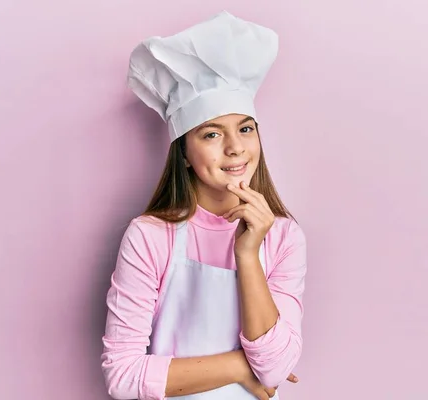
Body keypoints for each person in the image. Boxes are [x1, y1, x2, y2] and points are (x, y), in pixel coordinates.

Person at [101, 11, 307, 400]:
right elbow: (122, 377)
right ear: (183, 153)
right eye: (212, 133)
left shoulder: (283, 237)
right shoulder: (149, 235)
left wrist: (248, 254)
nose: (235, 148)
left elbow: (277, 369)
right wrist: (240, 365)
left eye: (245, 128)